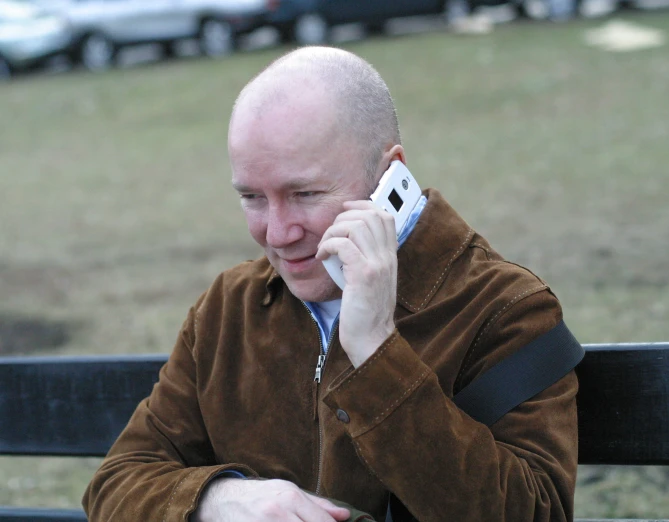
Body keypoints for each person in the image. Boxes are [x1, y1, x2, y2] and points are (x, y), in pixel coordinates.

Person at [82, 46, 578, 522]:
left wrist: (378, 354)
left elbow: (535, 514)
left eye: (305, 193)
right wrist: (217, 498)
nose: (277, 234)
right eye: (253, 197)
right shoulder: (228, 307)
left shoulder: (504, 309)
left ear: (390, 175)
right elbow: (115, 484)